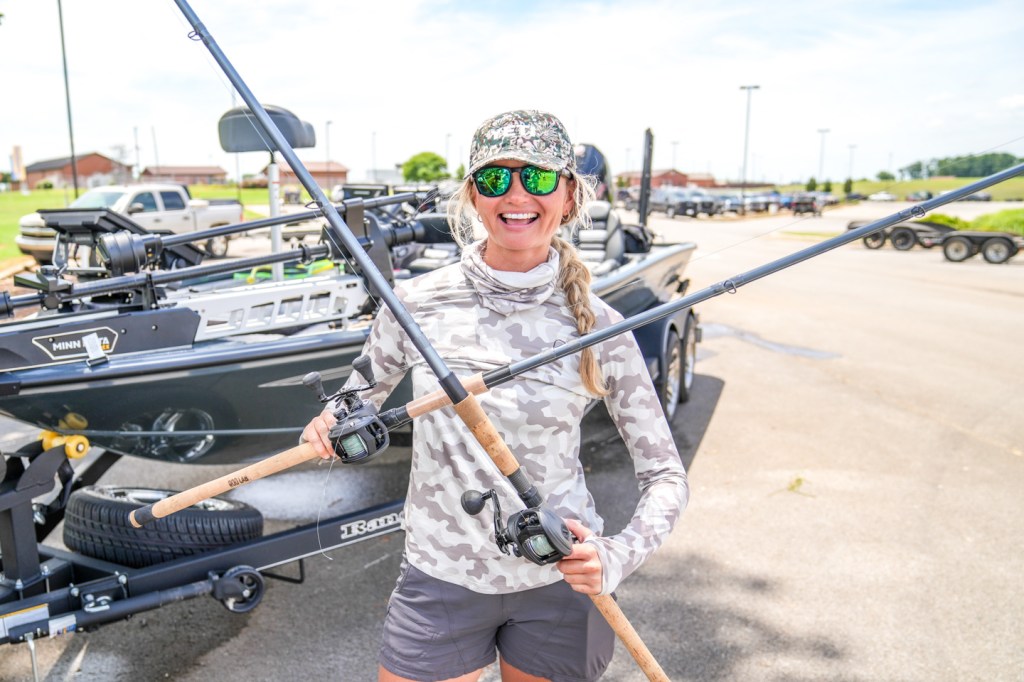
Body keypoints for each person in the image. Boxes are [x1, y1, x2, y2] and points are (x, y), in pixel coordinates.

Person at [302, 110, 688, 682]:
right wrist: (329, 421)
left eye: (537, 177)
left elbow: (666, 476)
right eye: (495, 177)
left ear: (569, 195)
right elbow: (355, 400)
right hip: (440, 575)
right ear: (473, 195)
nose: (516, 194)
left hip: (559, 579)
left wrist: (617, 555)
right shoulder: (414, 303)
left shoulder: (603, 326)